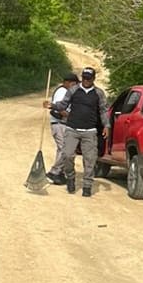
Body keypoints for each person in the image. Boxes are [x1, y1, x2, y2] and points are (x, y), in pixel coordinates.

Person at [50, 66, 109, 197]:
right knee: (67, 155)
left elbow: (103, 110)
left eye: (89, 78)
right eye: (85, 78)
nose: (86, 81)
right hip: (72, 129)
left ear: (93, 79)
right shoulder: (73, 90)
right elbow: (63, 105)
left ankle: (87, 186)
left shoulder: (99, 93)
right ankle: (70, 177)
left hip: (90, 131)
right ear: (82, 78)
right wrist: (52, 105)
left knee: (90, 160)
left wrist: (107, 125)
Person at [42, 73, 79, 185]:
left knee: (62, 149)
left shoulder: (67, 92)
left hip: (64, 124)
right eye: (74, 83)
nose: (75, 86)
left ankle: (59, 172)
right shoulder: (62, 92)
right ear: (67, 82)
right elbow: (58, 109)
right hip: (59, 123)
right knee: (65, 149)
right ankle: (54, 172)